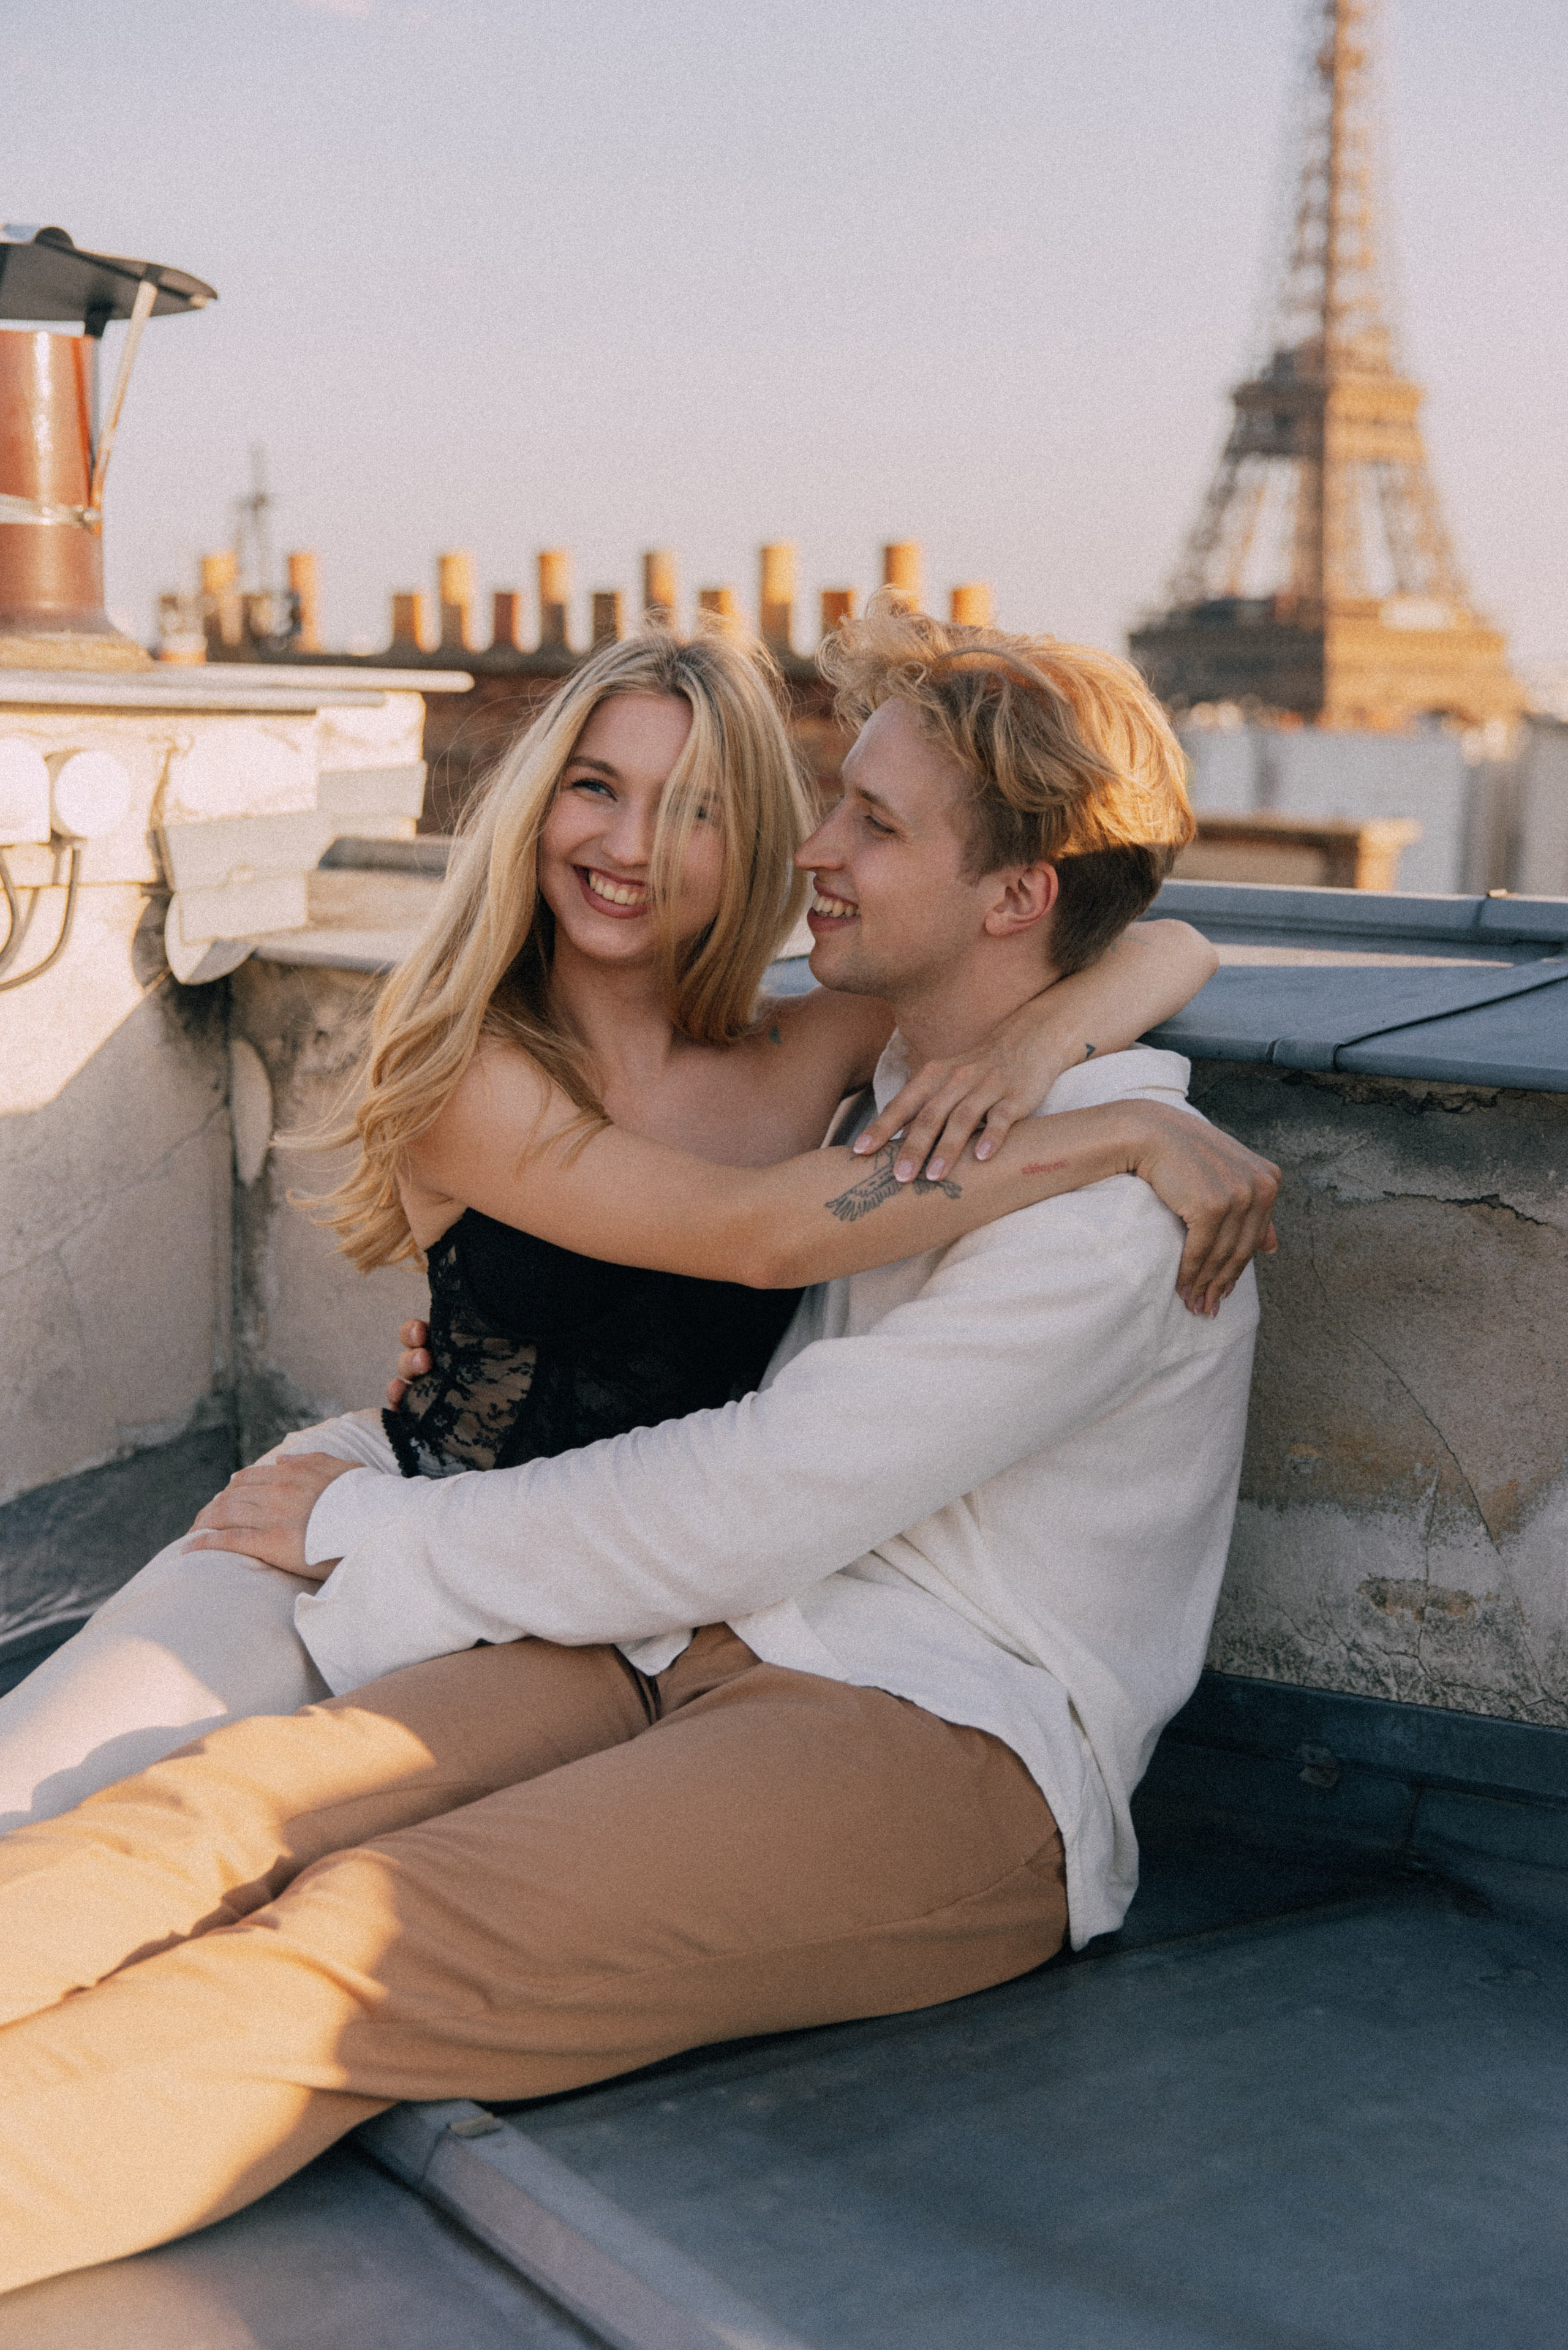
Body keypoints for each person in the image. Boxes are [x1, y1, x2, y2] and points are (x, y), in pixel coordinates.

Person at [0, 601, 1276, 2294]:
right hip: (688, 1630)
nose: (810, 852)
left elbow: (752, 1491)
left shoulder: (1117, 1209)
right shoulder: (889, 1086)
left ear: (1014, 892)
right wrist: (1045, 1039)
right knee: (227, 1805)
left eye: (869, 823)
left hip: (941, 1732)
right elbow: (1129, 948)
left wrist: (367, 1534)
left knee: (363, 1938)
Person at [0, 625, 1240, 1831]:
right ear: (541, 803)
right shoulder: (473, 1073)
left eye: (695, 805)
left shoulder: (814, 1041)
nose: (631, 843)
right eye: (597, 787)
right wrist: (1107, 1134)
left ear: (750, 840)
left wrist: (1039, 1046)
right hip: (389, 1522)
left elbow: (1163, 940)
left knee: (271, 1864)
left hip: (619, 1608)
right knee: (41, 1791)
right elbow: (756, 1236)